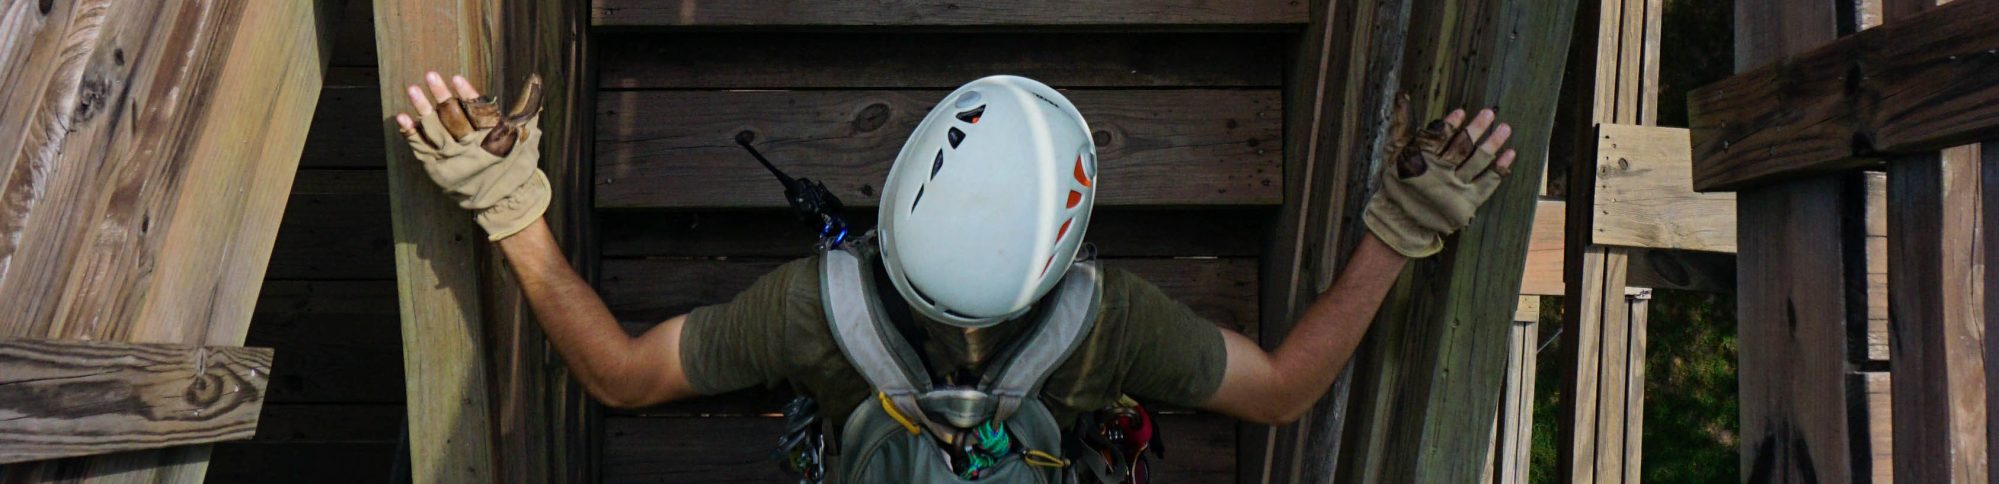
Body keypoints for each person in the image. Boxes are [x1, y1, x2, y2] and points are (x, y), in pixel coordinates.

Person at [395, 72, 1516, 482]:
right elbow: (1281, 389)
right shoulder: (1108, 322)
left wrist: (508, 205)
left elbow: (620, 378)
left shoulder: (809, 309)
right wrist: (1400, 225)